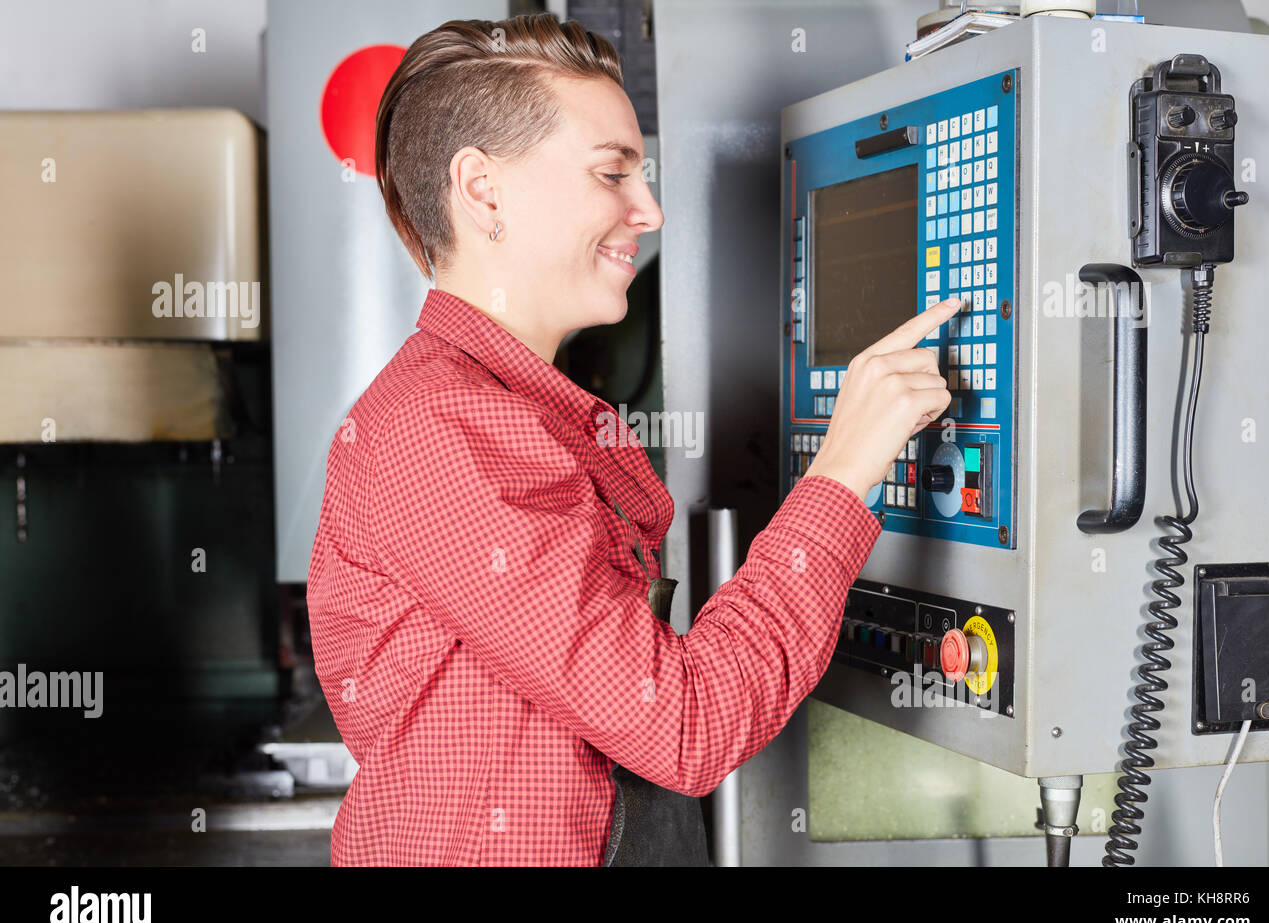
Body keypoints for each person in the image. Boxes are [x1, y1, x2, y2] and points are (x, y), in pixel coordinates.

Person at [306, 11, 957, 866]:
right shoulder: (443, 429)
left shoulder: (529, 410)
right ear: (483, 191)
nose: (647, 210)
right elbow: (682, 725)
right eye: (613, 173)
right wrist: (842, 473)